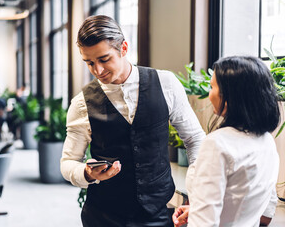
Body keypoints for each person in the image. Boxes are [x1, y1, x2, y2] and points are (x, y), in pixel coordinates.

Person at [60, 15, 205, 226]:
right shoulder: (81, 103)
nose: (97, 70)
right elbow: (68, 163)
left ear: (124, 48)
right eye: (89, 63)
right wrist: (87, 173)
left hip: (160, 214)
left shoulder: (166, 83)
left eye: (104, 59)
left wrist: (197, 194)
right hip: (104, 216)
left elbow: (195, 138)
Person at [172, 56, 280, 227]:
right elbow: (265, 215)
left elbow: (204, 224)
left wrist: (200, 214)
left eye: (212, 87)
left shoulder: (217, 144)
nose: (209, 94)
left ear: (230, 98)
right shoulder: (266, 141)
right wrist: (198, 210)